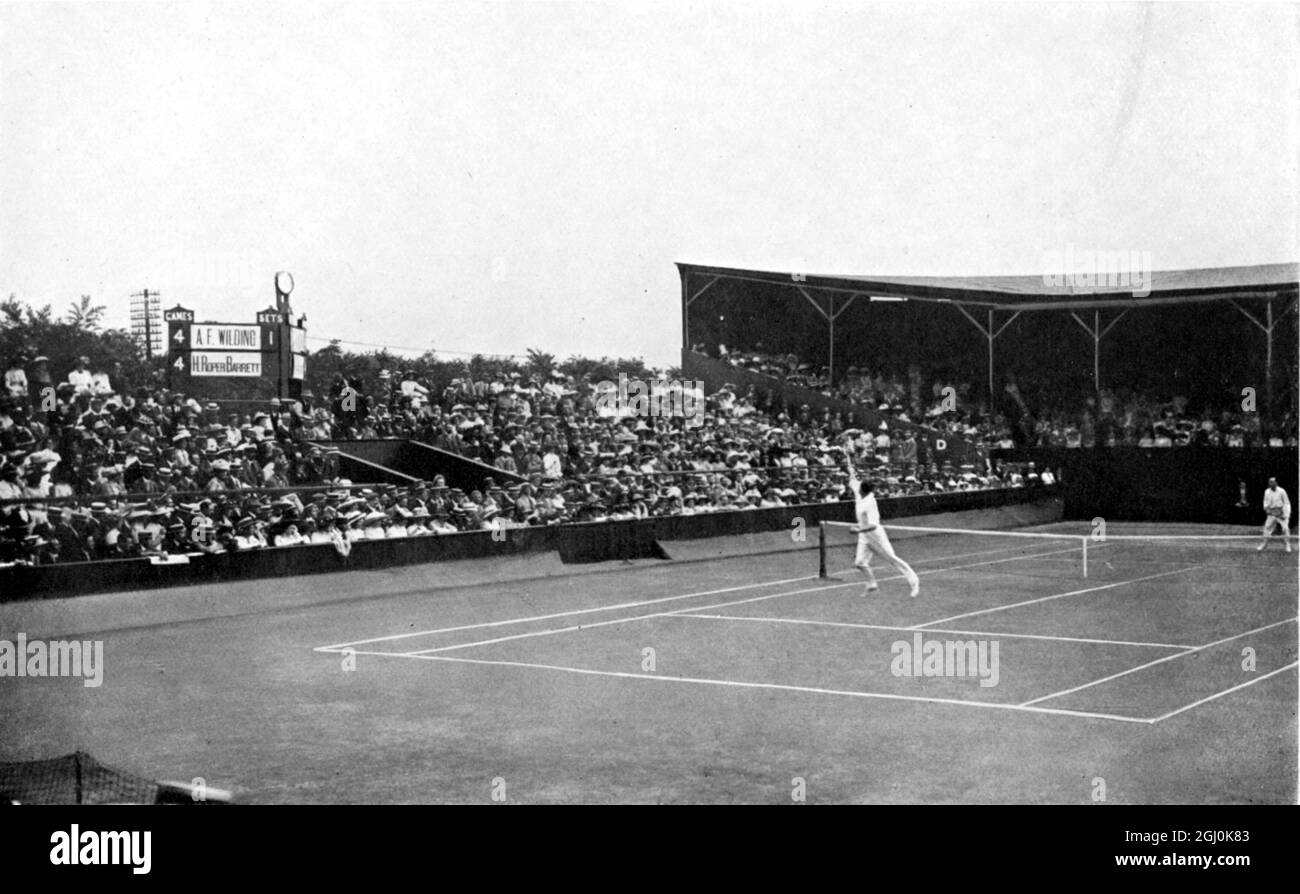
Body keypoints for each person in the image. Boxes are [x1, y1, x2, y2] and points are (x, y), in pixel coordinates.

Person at [845, 452, 920, 597]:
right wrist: (847, 455)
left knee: (892, 558)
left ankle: (914, 581)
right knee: (859, 562)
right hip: (864, 535)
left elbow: (873, 525)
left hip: (875, 534)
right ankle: (872, 584)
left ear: (863, 491)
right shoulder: (858, 490)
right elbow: (851, 473)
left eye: (860, 487)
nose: (857, 487)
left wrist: (857, 529)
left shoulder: (870, 503)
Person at [1258, 477, 1292, 553]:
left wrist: (1285, 514)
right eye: (1269, 482)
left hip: (1281, 513)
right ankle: (1264, 544)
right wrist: (1269, 511)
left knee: (1285, 529)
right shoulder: (1266, 491)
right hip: (1272, 513)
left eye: (1272, 482)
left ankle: (1287, 544)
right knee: (1266, 528)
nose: (1270, 484)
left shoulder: (1282, 491)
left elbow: (1287, 503)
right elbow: (1265, 504)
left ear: (1276, 483)